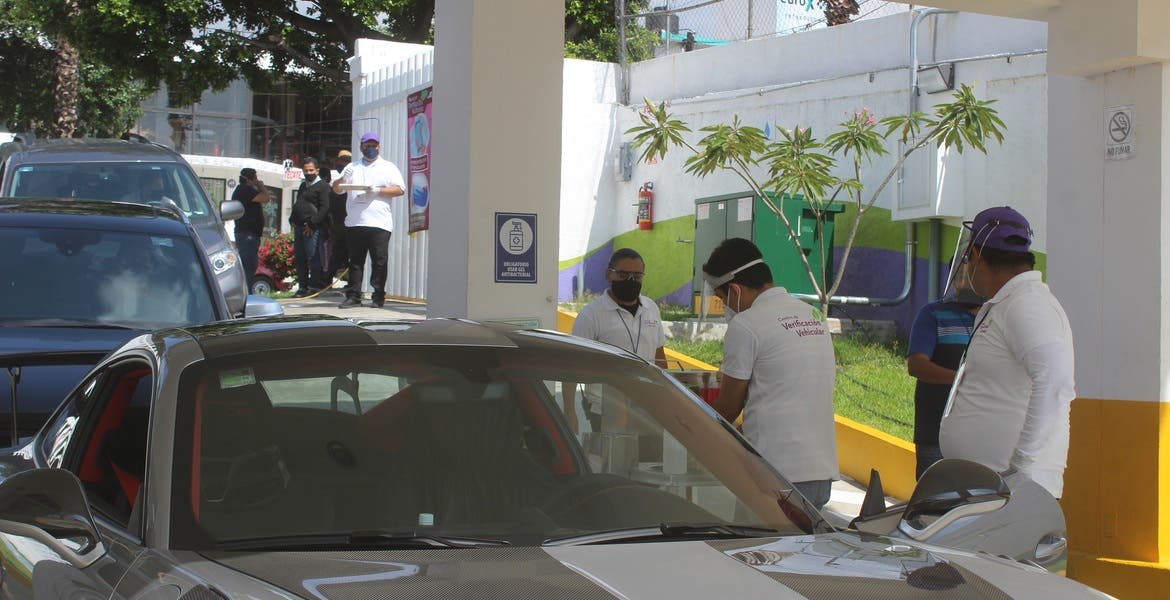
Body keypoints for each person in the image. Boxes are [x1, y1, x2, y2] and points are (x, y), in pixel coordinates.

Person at [939, 206, 1075, 499]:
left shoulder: (1027, 304)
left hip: (1009, 490)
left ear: (975, 255)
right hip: (988, 485)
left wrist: (1021, 469)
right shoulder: (1009, 302)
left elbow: (1055, 382)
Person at [701, 238, 838, 510]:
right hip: (820, 472)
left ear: (735, 290)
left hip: (773, 475)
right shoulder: (813, 316)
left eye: (722, 298)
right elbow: (785, 390)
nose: (725, 306)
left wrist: (688, 425)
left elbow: (727, 408)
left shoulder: (746, 325)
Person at [568, 248, 668, 432]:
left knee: (650, 451)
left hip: (647, 407)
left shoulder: (651, 308)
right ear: (609, 274)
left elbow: (659, 355)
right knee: (613, 451)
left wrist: (667, 398)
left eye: (637, 276)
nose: (631, 280)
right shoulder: (591, 315)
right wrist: (569, 411)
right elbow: (571, 364)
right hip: (605, 407)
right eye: (623, 274)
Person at [906, 267, 983, 479]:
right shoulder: (932, 314)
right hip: (936, 432)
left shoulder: (995, 318)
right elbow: (916, 365)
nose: (966, 283)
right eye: (961, 276)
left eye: (972, 276)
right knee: (935, 493)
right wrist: (961, 380)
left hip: (981, 433)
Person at [331, 133, 405, 309]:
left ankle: (378, 296)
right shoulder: (352, 167)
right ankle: (353, 296)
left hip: (380, 223)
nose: (370, 148)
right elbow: (337, 189)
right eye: (367, 145)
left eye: (374, 145)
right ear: (361, 147)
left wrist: (378, 190)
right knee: (355, 261)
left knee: (379, 261)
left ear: (379, 147)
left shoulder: (388, 167)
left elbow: (400, 189)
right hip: (355, 222)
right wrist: (342, 179)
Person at [289, 157, 331, 297]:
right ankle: (302, 287)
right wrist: (293, 218)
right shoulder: (303, 185)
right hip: (299, 227)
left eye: (311, 170)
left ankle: (313, 286)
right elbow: (299, 203)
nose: (308, 173)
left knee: (313, 257)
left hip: (313, 228)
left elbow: (325, 208)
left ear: (317, 171)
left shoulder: (323, 187)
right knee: (300, 258)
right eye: (306, 170)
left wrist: (313, 224)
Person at [231, 168, 271, 292]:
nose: (257, 180)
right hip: (247, 235)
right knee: (248, 265)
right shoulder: (245, 190)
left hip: (247, 233)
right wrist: (261, 186)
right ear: (250, 179)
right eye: (255, 178)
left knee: (249, 265)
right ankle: (246, 293)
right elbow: (265, 197)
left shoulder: (242, 190)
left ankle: (245, 291)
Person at [327, 149, 351, 279]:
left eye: (347, 161)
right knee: (338, 252)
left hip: (351, 222)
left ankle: (350, 282)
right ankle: (327, 280)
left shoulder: (354, 177)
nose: (343, 163)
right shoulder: (334, 179)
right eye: (342, 160)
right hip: (338, 223)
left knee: (350, 254)